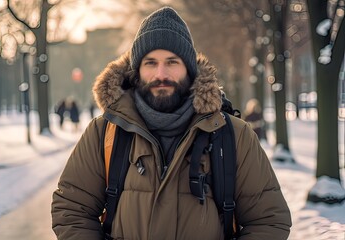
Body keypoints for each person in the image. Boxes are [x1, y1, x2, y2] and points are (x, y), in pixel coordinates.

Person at [51, 6, 291, 240]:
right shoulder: (104, 132)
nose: (161, 74)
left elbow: (268, 220)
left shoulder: (234, 135)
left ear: (189, 68)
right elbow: (71, 210)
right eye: (151, 63)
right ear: (137, 71)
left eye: (172, 62)